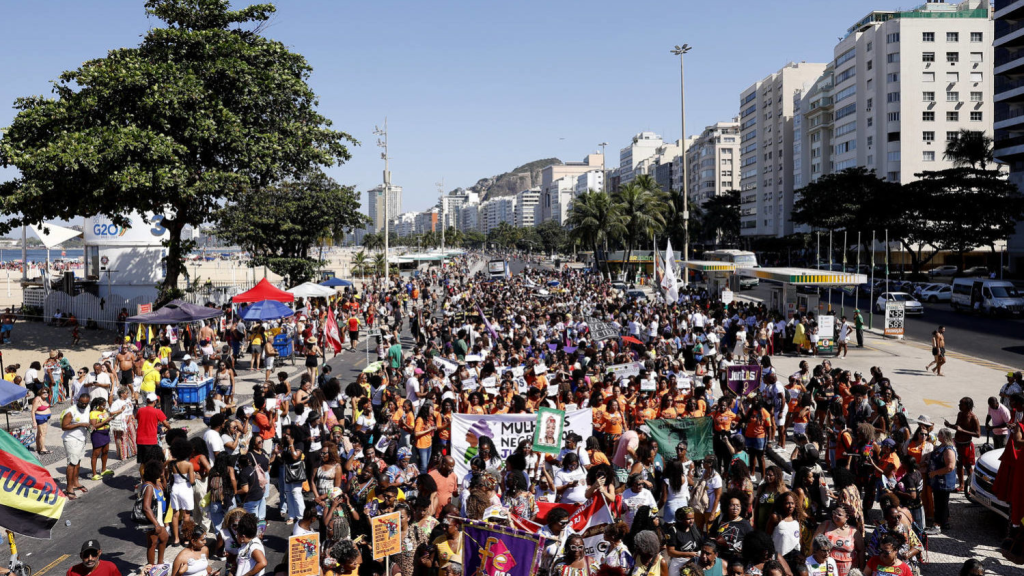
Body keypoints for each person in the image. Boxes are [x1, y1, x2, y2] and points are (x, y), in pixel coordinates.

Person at [944, 397, 980, 496]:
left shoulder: (973, 418)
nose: (959, 406)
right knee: (959, 465)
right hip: (958, 444)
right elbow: (957, 426)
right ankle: (961, 485)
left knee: (968, 467)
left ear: (967, 406)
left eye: (961, 404)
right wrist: (949, 425)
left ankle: (972, 486)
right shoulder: (960, 414)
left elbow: (978, 434)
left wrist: (962, 430)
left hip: (967, 446)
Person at [925, 428, 958, 535]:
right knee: (941, 502)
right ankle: (944, 521)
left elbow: (950, 467)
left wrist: (935, 473)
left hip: (943, 481)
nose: (937, 436)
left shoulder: (948, 449)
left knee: (941, 503)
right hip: (938, 481)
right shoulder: (941, 446)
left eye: (939, 434)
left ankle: (937, 524)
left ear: (944, 436)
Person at [60, 391, 92, 499]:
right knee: (71, 464)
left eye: (86, 403)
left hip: (82, 439)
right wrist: (80, 424)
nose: (83, 405)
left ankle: (76, 482)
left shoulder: (87, 408)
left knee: (78, 462)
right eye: (82, 403)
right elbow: (64, 426)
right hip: (71, 439)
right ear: (78, 400)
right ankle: (69, 488)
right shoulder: (71, 411)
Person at [141, 460, 169, 565]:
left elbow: (165, 488)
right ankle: (151, 567)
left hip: (158, 518)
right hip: (152, 519)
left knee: (164, 538)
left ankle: (160, 563)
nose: (163, 471)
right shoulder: (149, 487)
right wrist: (156, 524)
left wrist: (163, 477)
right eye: (161, 471)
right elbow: (146, 507)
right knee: (152, 543)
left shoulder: (156, 483)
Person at [136, 393, 168, 477]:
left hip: (140, 440)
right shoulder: (157, 411)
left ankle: (143, 480)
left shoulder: (140, 410)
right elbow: (165, 423)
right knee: (153, 461)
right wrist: (170, 429)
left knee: (143, 462)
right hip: (151, 441)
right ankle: (152, 478)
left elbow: (139, 420)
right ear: (154, 402)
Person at [88, 397, 117, 480]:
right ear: (97, 405)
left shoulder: (104, 411)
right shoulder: (93, 413)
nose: (104, 407)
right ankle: (94, 474)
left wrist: (110, 419)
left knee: (105, 451)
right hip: (98, 433)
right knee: (96, 454)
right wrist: (106, 421)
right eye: (103, 406)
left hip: (105, 432)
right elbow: (94, 426)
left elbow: (106, 420)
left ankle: (103, 469)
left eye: (105, 405)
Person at [31, 387, 52, 455]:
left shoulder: (45, 399)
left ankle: (38, 448)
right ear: (40, 392)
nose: (46, 394)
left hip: (44, 418)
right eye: (44, 392)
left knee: (39, 434)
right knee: (42, 434)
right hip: (40, 418)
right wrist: (34, 422)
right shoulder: (37, 399)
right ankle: (43, 449)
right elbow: (33, 411)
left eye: (47, 392)